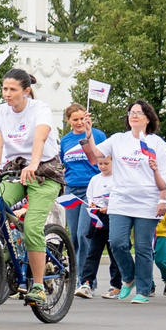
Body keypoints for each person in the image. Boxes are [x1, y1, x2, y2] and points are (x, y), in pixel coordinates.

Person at [0, 69, 60, 305]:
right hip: (16, 172)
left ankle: (38, 285)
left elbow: (39, 139)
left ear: (26, 91)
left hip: (45, 174)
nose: (7, 94)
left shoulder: (40, 109)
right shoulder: (0, 111)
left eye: (12, 90)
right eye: (4, 89)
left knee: (32, 228)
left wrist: (34, 164)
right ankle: (6, 254)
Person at [98, 99, 166, 303]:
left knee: (143, 247)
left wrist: (162, 200)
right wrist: (87, 133)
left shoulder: (157, 143)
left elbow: (165, 177)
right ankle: (129, 277)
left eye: (139, 112)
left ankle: (144, 290)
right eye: (131, 112)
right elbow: (95, 154)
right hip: (121, 200)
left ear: (148, 118)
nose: (134, 115)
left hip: (148, 201)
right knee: (117, 242)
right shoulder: (118, 139)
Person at [57, 105, 110, 296]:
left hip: (91, 189)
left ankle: (86, 281)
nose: (79, 123)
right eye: (75, 119)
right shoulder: (65, 140)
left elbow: (104, 159)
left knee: (83, 234)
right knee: (73, 237)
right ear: (68, 120)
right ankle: (80, 278)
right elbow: (63, 165)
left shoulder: (97, 134)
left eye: (82, 119)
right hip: (72, 189)